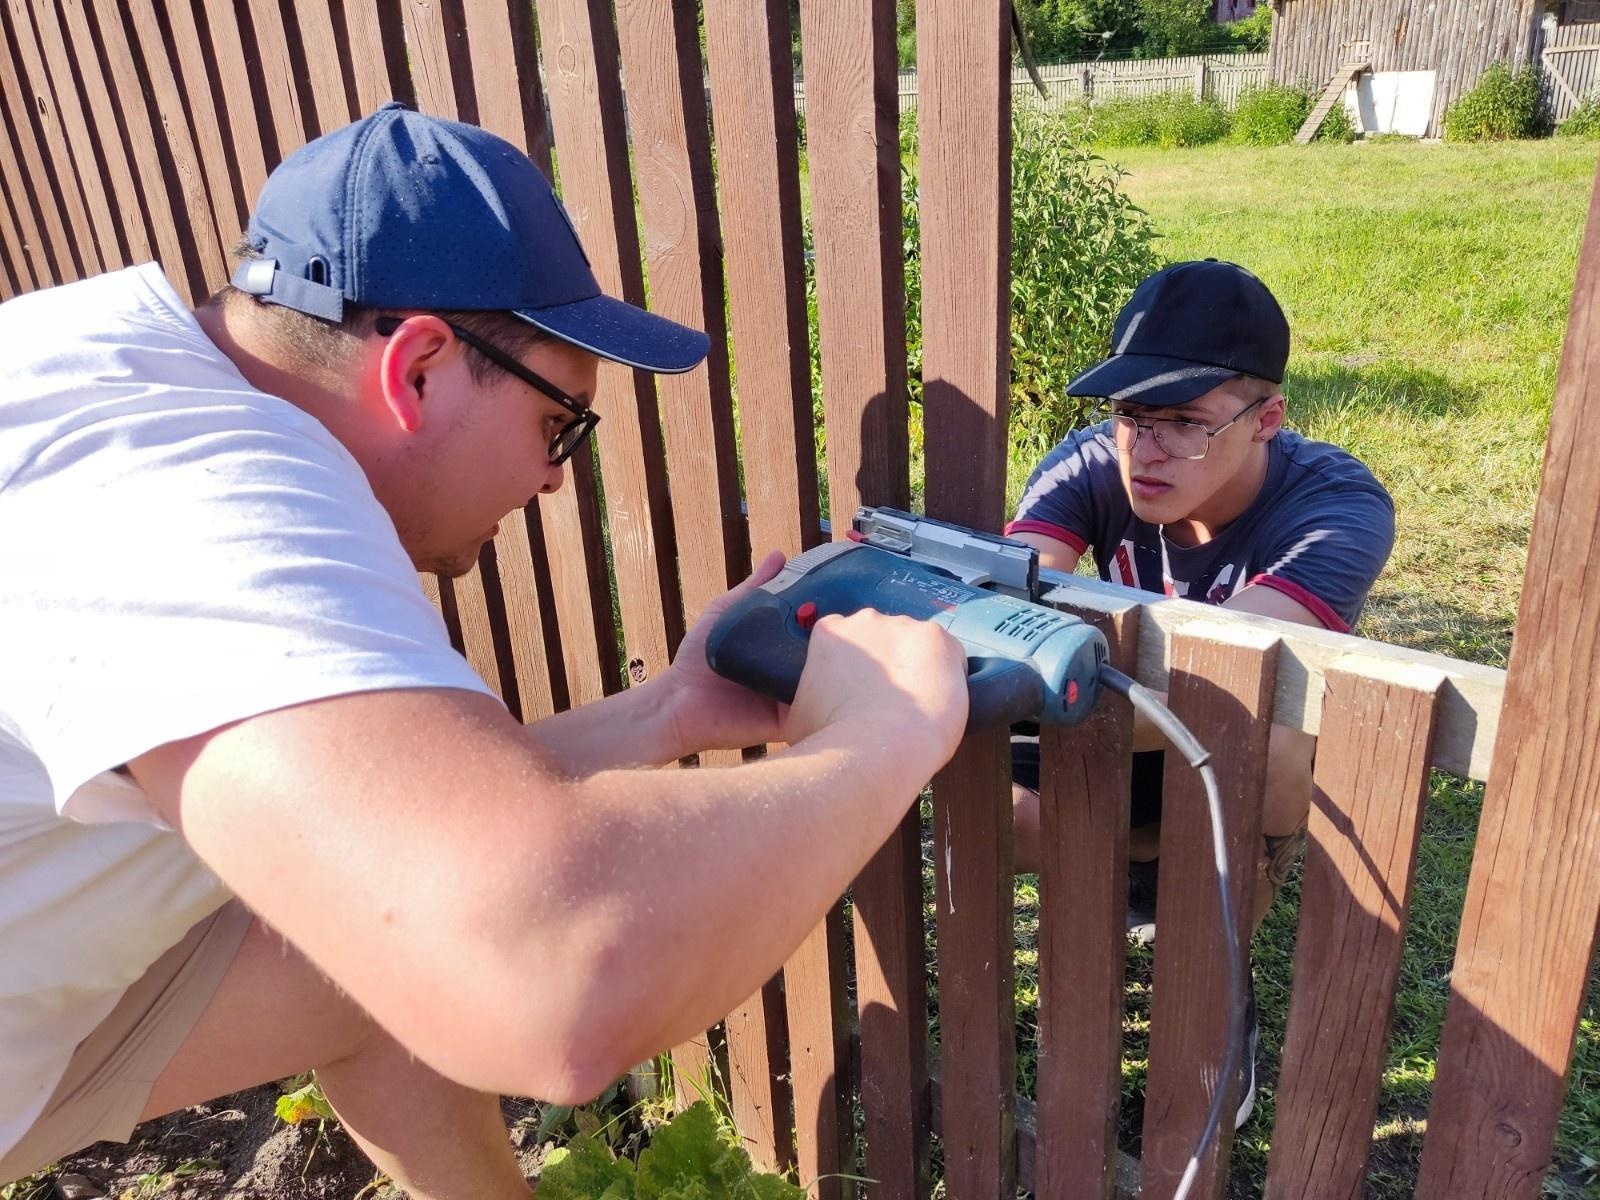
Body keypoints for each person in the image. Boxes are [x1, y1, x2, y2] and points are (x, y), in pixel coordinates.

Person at [0, 103, 970, 1199]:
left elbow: (393, 835)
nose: (555, 477)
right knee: (441, 946)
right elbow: (556, 974)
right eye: (562, 423)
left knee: (387, 941)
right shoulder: (188, 483)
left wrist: (668, 712)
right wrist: (891, 732)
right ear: (418, 368)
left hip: (38, 996)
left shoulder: (107, 379)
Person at [1002, 259, 1396, 1125]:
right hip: (1115, 718)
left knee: (1279, 729)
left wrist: (1043, 680)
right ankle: (1129, 881)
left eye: (1185, 422)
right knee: (1005, 820)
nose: (1146, 450)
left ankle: (1215, 974)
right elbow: (1011, 603)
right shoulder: (1088, 464)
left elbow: (1225, 680)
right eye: (1132, 415)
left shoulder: (1338, 505)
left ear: (1267, 420)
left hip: (1217, 740)